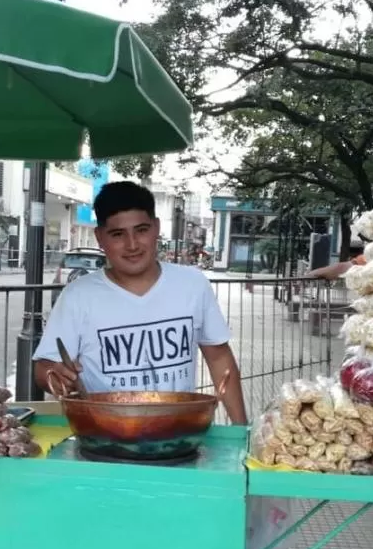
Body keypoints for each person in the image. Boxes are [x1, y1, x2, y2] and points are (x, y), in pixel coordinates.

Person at [33, 181, 248, 424]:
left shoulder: (192, 284)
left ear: (156, 228)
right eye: (118, 234)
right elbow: (44, 367)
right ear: (100, 238)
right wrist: (56, 376)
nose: (132, 244)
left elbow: (219, 358)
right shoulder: (78, 296)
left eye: (142, 230)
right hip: (104, 438)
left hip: (179, 435)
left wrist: (242, 431)